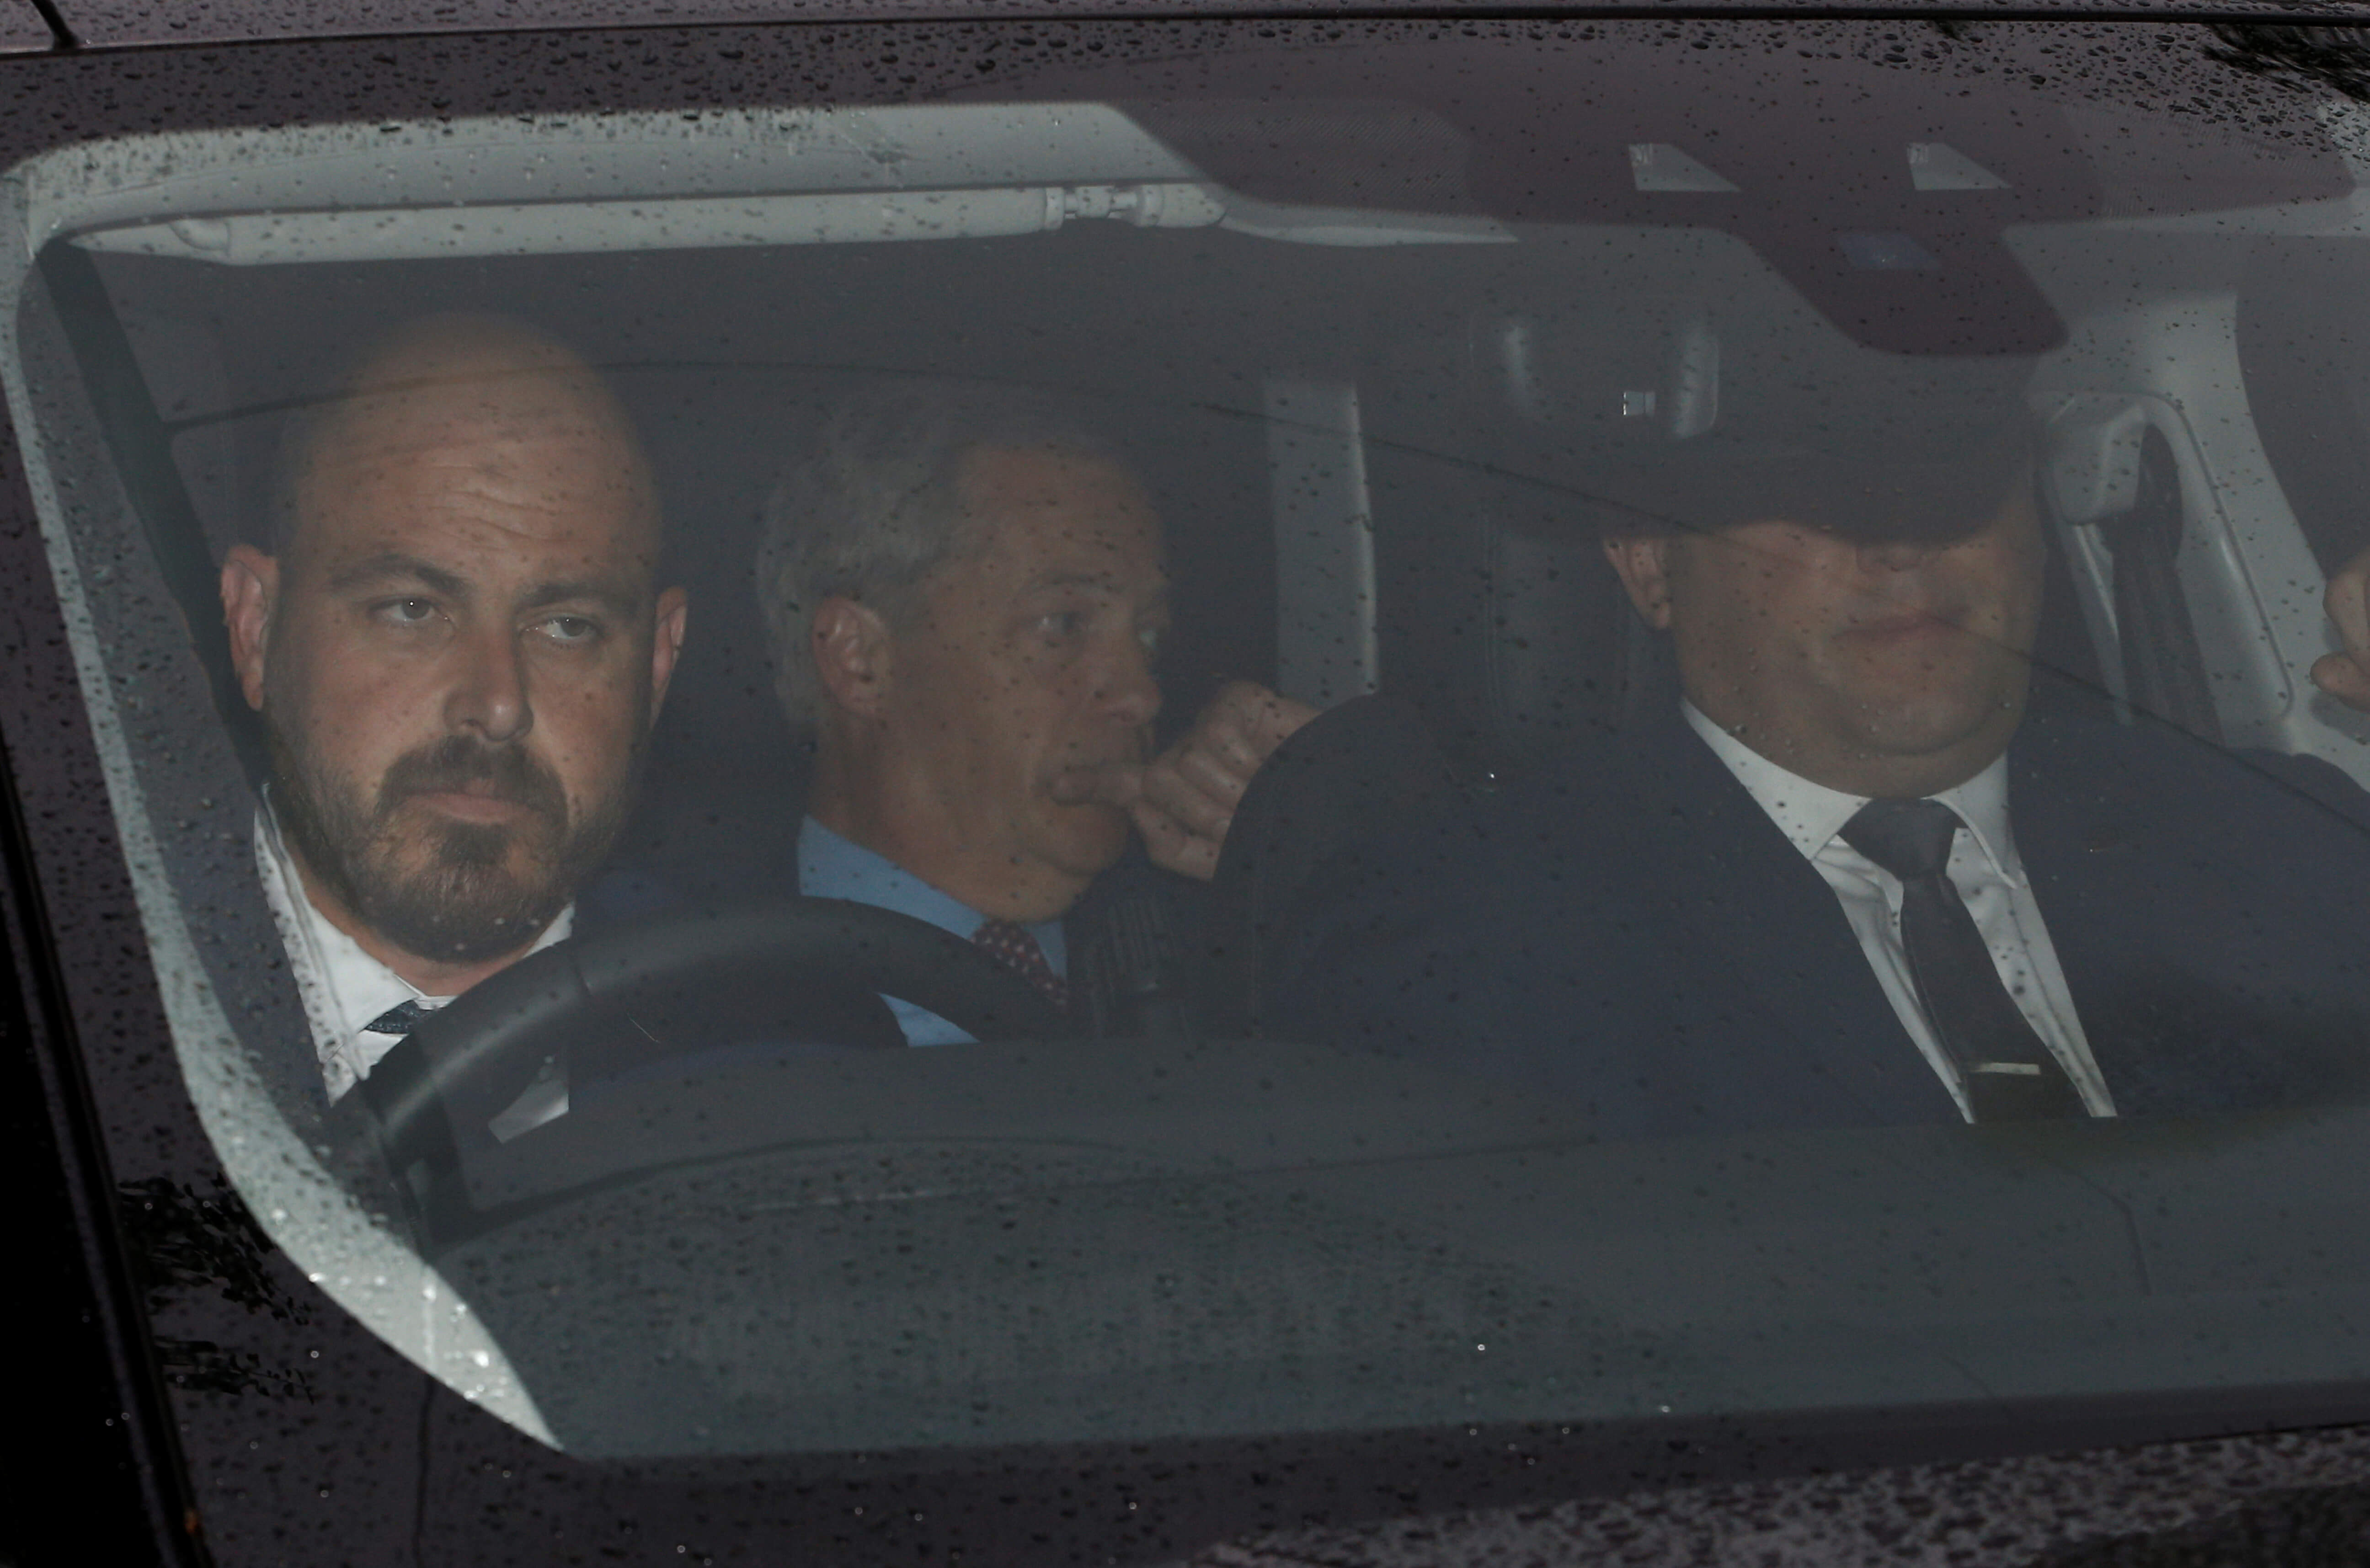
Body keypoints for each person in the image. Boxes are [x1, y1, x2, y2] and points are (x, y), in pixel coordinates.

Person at [1271, 417, 2370, 1136]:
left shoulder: (2279, 835)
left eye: (1951, 477)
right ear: (1649, 563)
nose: (1900, 545)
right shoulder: (1470, 932)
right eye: (1808, 488)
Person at [219, 314, 688, 1130]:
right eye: (412, 609)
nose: (498, 704)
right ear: (258, 629)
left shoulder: (779, 1037)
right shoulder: (81, 1000)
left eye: (567, 626)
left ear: (656, 665)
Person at [753, 384, 1313, 1043]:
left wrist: (1334, 851)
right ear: (862, 661)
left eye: (1149, 636)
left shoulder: (1241, 949)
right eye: (1063, 624)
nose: (1143, 695)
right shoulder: (699, 993)